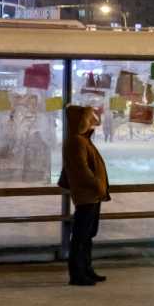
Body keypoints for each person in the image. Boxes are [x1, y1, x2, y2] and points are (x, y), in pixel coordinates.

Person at [58, 105, 110, 286]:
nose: (91, 121)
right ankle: (78, 272)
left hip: (92, 194)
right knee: (81, 235)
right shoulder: (76, 141)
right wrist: (96, 183)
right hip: (87, 194)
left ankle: (86, 268)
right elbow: (81, 169)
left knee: (87, 235)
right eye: (87, 118)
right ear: (81, 122)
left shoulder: (82, 139)